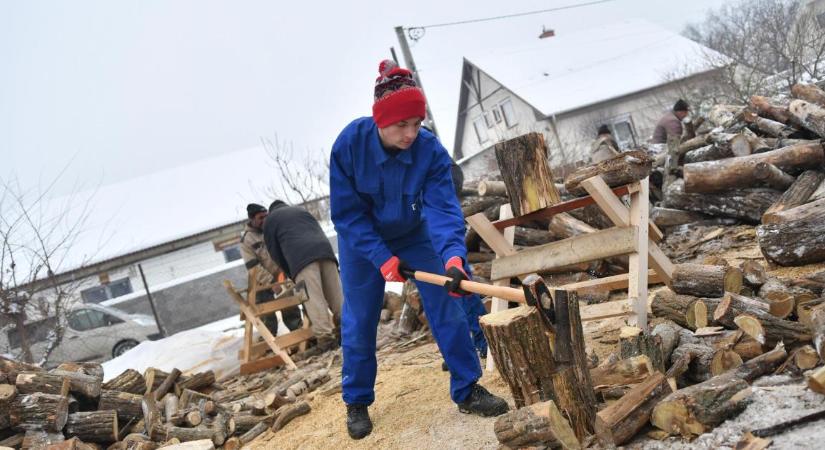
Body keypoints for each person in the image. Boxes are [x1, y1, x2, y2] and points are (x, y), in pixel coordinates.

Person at [330, 60, 509, 440]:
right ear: (380, 120)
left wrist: (454, 258)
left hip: (413, 234)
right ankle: (357, 399)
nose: (411, 133)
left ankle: (467, 387)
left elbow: (443, 209)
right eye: (401, 124)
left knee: (449, 301)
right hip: (361, 242)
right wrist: (381, 258)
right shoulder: (349, 145)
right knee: (360, 319)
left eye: (416, 123)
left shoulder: (430, 151)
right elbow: (346, 215)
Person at [262, 200, 343, 351]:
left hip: (301, 260)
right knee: (336, 295)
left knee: (313, 299)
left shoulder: (271, 221)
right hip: (326, 251)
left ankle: (326, 339)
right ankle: (349, 330)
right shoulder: (301, 210)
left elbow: (275, 254)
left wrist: (291, 273)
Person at [240, 203, 303, 334]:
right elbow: (253, 267)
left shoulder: (272, 229)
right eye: (260, 218)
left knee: (290, 309)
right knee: (268, 319)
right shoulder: (247, 240)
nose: (264, 220)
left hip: (281, 277)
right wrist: (271, 282)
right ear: (252, 219)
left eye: (266, 216)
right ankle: (271, 346)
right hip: (261, 284)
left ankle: (302, 337)